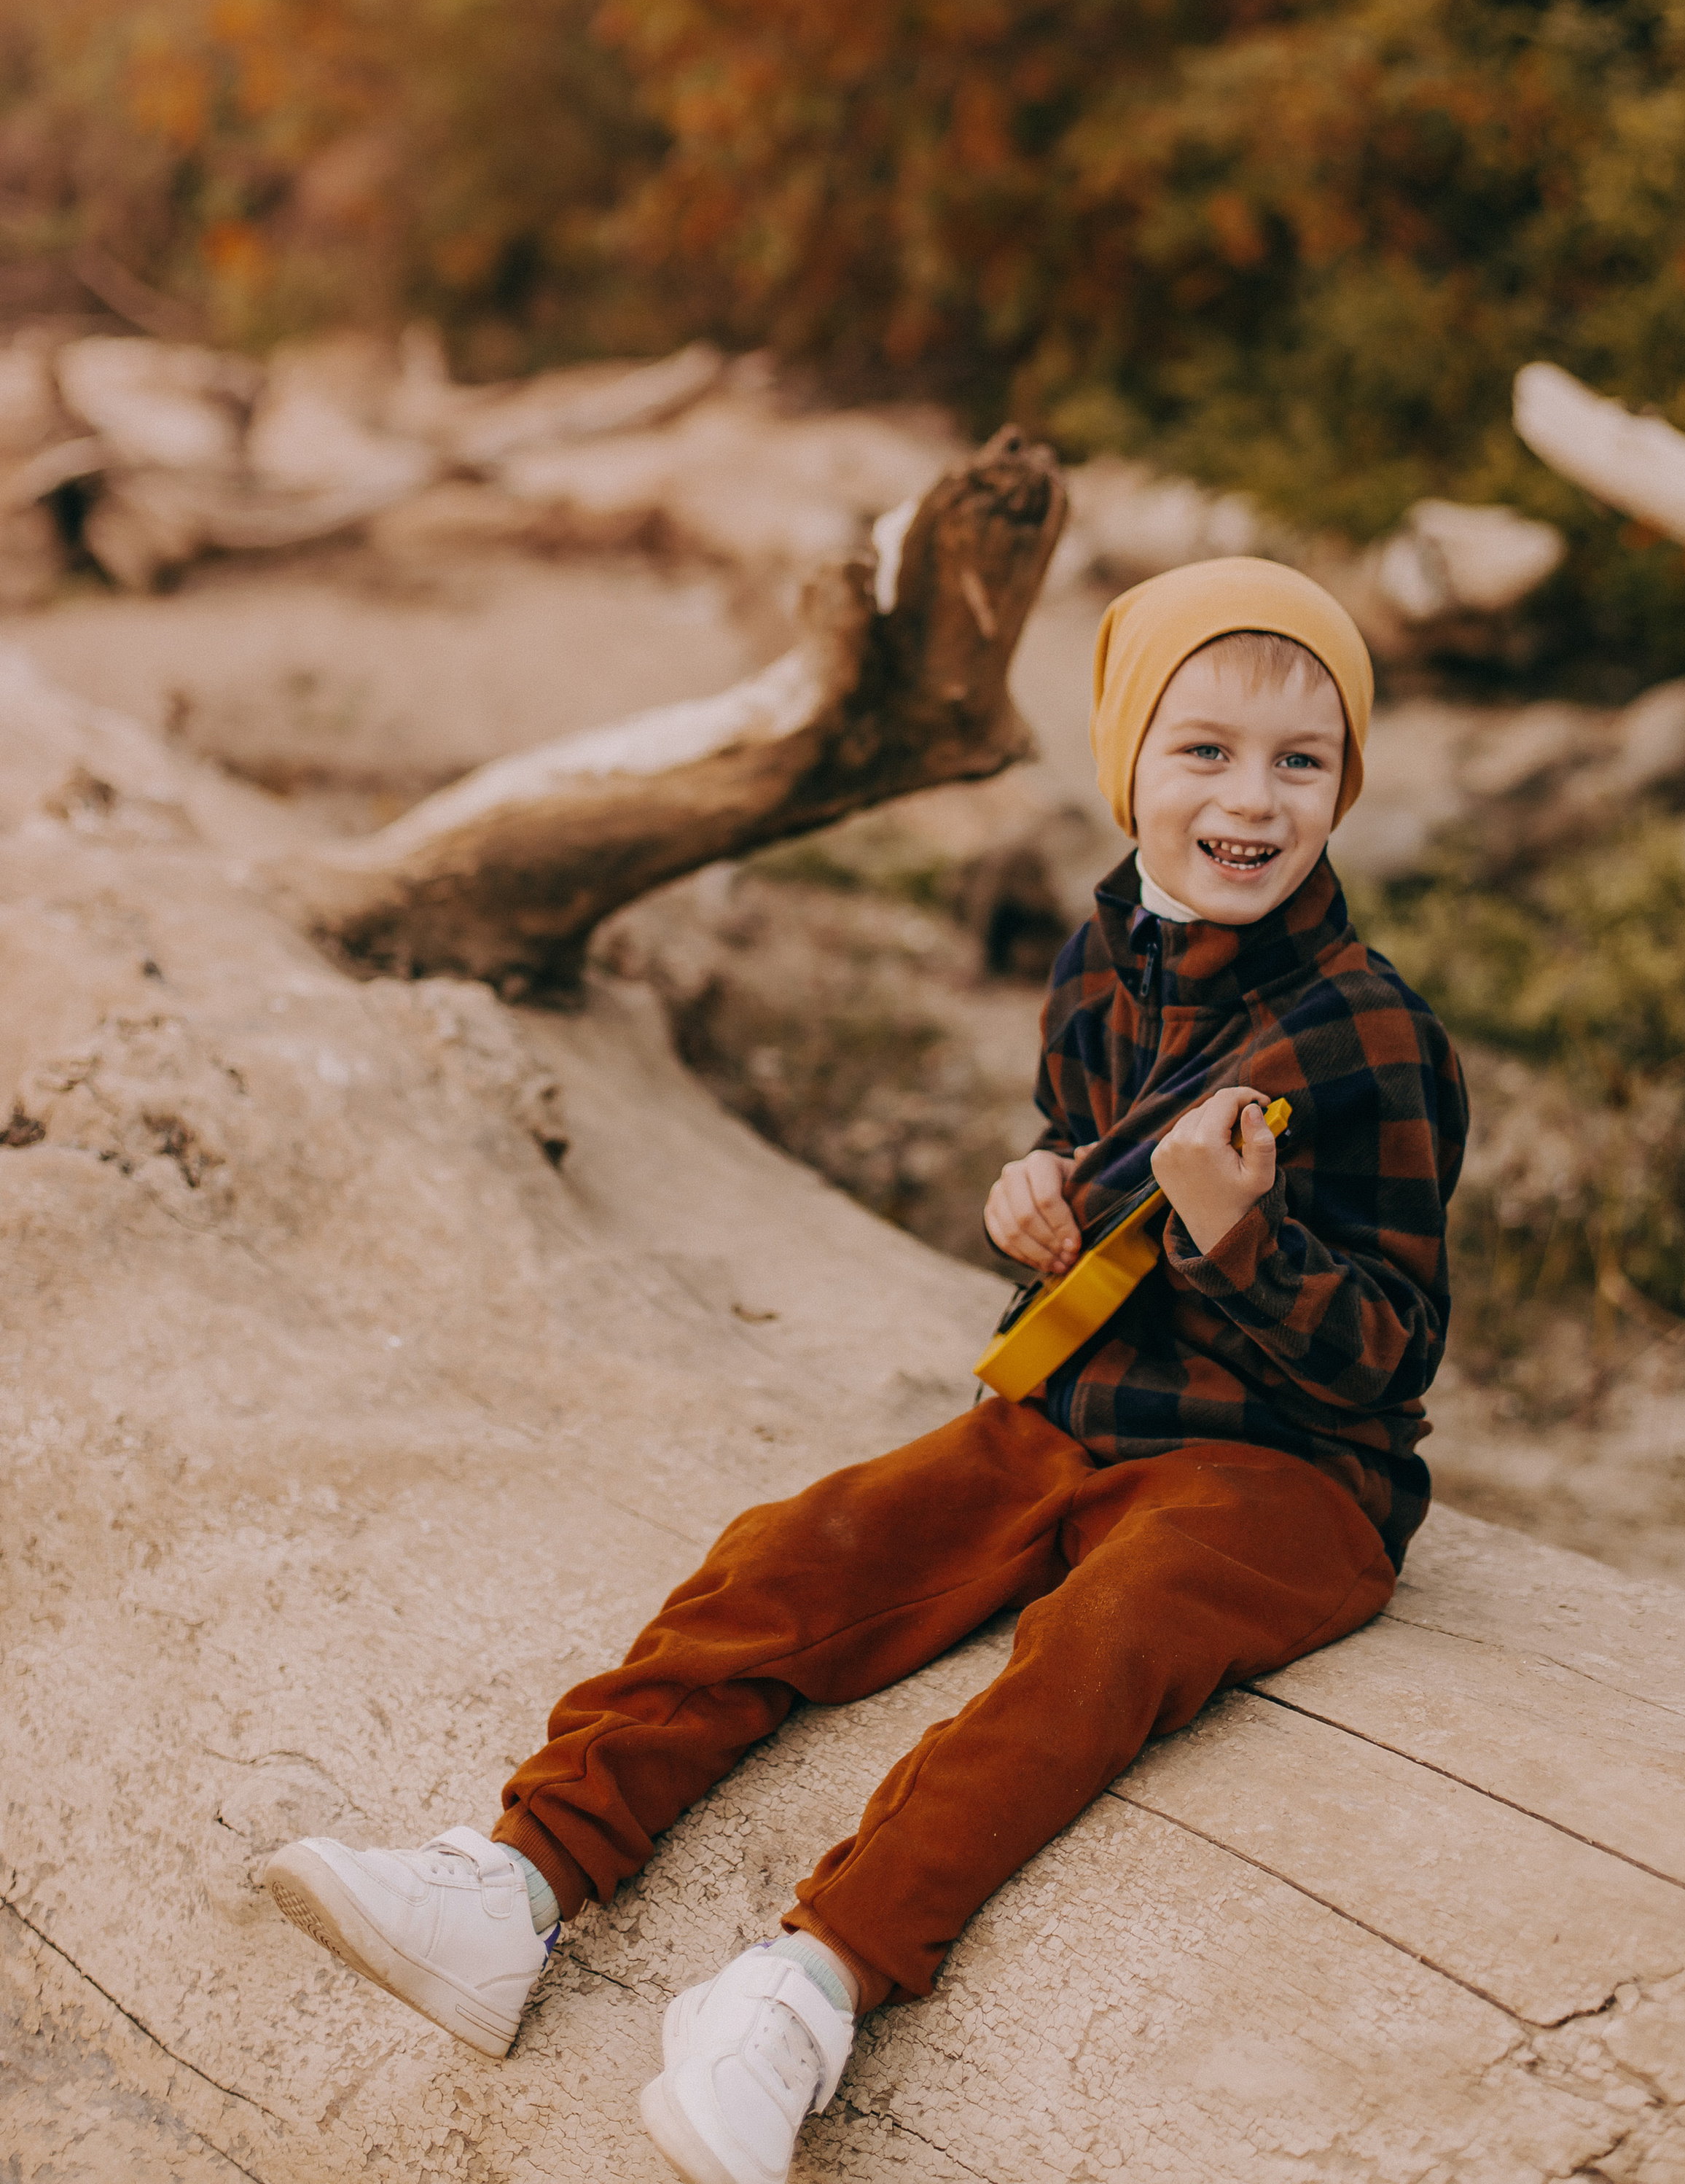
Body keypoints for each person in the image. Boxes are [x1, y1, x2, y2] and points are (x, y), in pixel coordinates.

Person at [263, 556, 1467, 2184]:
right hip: (1080, 1405)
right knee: (797, 1554)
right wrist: (1029, 1202)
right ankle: (518, 1880)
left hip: (1284, 1474)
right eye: (1201, 751)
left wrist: (1240, 1241)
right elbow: (1077, 1164)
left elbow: (1394, 1350)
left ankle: (803, 1991)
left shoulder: (1371, 1037)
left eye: (1297, 763)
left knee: (1094, 1646)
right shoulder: (1101, 959)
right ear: (1127, 764)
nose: (1247, 801)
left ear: (1343, 785)